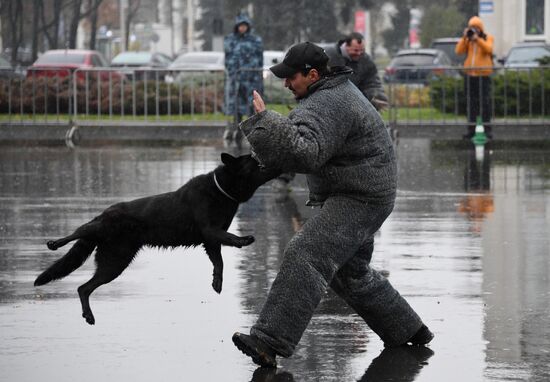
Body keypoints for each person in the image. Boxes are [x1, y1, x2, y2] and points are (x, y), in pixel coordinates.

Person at [232, 42, 433, 368]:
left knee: (306, 252)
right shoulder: (328, 94)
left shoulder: (330, 101)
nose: (286, 83)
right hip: (366, 191)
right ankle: (408, 329)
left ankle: (269, 342)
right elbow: (299, 138)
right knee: (349, 274)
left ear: (312, 74)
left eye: (290, 77)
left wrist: (265, 121)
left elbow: (304, 153)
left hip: (360, 196)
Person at [223, 12, 263, 142]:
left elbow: (259, 59)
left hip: (251, 79)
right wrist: (232, 72)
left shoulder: (255, 40)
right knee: (236, 105)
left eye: (245, 25)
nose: (242, 28)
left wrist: (258, 74)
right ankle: (237, 129)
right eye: (240, 25)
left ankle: (252, 131)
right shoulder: (230, 39)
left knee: (251, 105)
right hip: (236, 80)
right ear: (236, 26)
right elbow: (228, 58)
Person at [325, 32, 389, 111]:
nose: (359, 53)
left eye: (362, 50)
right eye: (355, 50)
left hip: (354, 106)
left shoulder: (366, 60)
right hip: (329, 104)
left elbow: (372, 82)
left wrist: (376, 96)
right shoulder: (328, 55)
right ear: (346, 45)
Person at [455, 16, 494, 139]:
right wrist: (464, 38)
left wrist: (478, 40)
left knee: (485, 103)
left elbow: (489, 49)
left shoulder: (488, 37)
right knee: (471, 103)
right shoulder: (468, 40)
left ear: (481, 28)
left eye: (476, 28)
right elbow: (458, 51)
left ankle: (487, 130)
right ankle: (471, 129)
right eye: (472, 28)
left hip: (483, 75)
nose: (474, 30)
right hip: (470, 75)